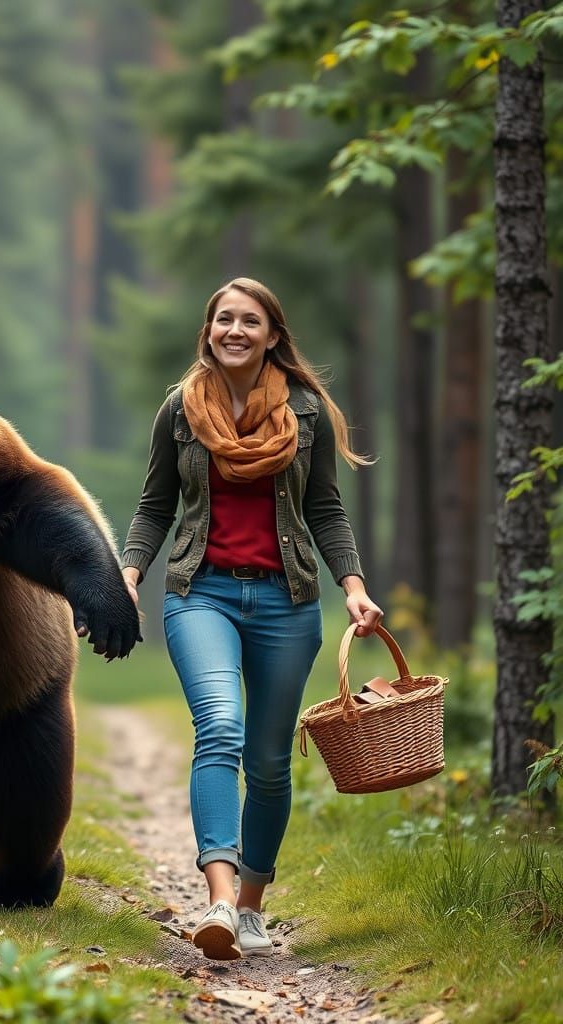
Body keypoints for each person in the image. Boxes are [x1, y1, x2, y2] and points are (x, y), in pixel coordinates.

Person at [120, 277, 382, 961]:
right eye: (223, 319)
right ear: (209, 330)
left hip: (286, 601)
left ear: (272, 336)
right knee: (220, 728)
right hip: (198, 592)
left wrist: (352, 586)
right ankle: (218, 900)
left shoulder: (307, 412)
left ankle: (253, 908)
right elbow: (155, 505)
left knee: (268, 765)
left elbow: (325, 508)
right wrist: (129, 571)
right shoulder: (179, 410)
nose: (235, 330)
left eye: (250, 321)